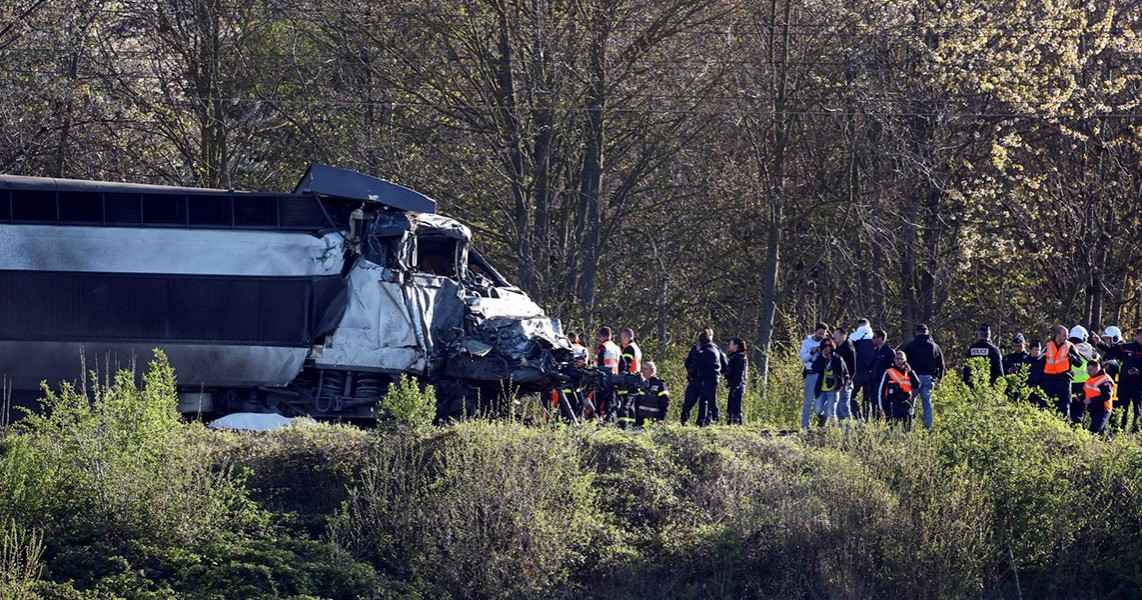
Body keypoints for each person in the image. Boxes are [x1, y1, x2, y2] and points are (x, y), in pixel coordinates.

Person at [1093, 327, 1142, 432]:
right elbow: (1111, 349)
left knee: (1138, 409)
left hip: (1139, 385)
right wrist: (1099, 343)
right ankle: (1120, 429)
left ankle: (1136, 431)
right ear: (1137, 335)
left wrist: (1139, 372)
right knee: (1122, 408)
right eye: (1140, 334)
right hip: (1125, 384)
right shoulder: (1127, 347)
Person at [902, 324, 945, 429]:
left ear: (917, 332)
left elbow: (903, 362)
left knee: (910, 403)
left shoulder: (910, 346)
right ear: (928, 332)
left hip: (913, 378)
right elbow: (941, 364)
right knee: (927, 404)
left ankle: (908, 426)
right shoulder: (934, 346)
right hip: (929, 378)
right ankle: (928, 427)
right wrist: (939, 378)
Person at [682, 328, 727, 426]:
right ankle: (686, 422)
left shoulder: (712, 350)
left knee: (707, 403)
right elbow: (688, 363)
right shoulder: (697, 349)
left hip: (708, 379)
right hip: (697, 379)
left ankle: (706, 422)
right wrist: (691, 374)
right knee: (690, 402)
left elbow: (700, 363)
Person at [1042, 325, 1084, 418]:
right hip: (1049, 380)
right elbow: (1040, 360)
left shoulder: (1070, 346)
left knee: (1064, 405)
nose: (1067, 338)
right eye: (1065, 335)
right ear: (1058, 335)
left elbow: (1079, 363)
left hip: (1063, 379)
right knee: (1045, 403)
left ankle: (1064, 426)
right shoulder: (1048, 346)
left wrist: (1072, 357)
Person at [812, 338, 850, 426]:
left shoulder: (837, 358)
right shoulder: (820, 358)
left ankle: (833, 431)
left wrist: (844, 384)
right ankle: (823, 419)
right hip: (821, 389)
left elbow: (845, 372)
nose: (827, 348)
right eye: (825, 346)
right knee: (817, 410)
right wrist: (822, 358)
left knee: (830, 412)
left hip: (833, 389)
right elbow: (815, 368)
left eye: (829, 345)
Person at [878, 350, 921, 428]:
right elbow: (880, 391)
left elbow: (917, 385)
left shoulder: (909, 373)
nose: (899, 361)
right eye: (897, 359)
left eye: (902, 359)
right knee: (890, 431)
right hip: (892, 406)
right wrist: (881, 408)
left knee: (907, 432)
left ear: (905, 361)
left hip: (906, 405)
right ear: (894, 360)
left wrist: (911, 372)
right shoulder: (888, 373)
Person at [799, 322, 830, 429]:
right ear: (815, 331)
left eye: (823, 334)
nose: (821, 336)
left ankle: (823, 421)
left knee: (825, 399)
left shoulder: (825, 342)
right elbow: (803, 359)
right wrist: (812, 352)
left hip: (823, 374)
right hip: (811, 373)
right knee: (808, 401)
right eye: (820, 333)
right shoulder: (806, 342)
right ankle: (805, 425)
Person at [1068, 326, 1100, 426]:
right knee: (1081, 413)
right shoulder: (1090, 349)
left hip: (1068, 383)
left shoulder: (1067, 347)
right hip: (1085, 386)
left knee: (1068, 411)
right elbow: (1099, 363)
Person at [614, 328, 643, 428]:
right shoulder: (636, 348)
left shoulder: (629, 348)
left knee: (624, 406)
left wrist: (620, 375)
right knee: (631, 407)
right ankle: (631, 426)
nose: (621, 340)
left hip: (628, 380)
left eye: (622, 338)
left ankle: (623, 427)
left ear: (625, 337)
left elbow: (626, 364)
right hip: (635, 380)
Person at [865, 329, 895, 419]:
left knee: (884, 405)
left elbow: (893, 367)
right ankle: (875, 424)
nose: (872, 340)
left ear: (881, 338)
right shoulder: (874, 351)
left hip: (884, 384)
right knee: (874, 406)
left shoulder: (889, 352)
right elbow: (870, 366)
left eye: (874, 337)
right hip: (873, 383)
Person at [850, 319, 876, 420]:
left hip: (858, 371)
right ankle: (867, 420)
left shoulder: (853, 337)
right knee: (867, 399)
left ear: (858, 326)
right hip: (872, 372)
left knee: (850, 397)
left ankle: (858, 418)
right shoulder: (875, 337)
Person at [595, 327, 622, 420]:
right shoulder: (617, 348)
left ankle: (598, 419)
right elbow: (623, 364)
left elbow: (601, 363)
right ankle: (611, 420)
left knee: (599, 401)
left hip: (604, 378)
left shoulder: (603, 346)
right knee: (611, 402)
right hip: (615, 378)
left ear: (601, 336)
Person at [1082, 359, 1115, 435]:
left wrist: (1091, 400)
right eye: (1087, 370)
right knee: (1103, 434)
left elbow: (1107, 396)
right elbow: (1089, 391)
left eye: (1090, 370)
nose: (1088, 372)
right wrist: (1081, 396)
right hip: (1094, 409)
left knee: (1093, 432)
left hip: (1103, 409)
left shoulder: (1104, 379)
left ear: (1096, 369)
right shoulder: (1091, 378)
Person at [832, 328, 857, 422]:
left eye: (836, 335)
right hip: (837, 383)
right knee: (838, 409)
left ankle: (848, 431)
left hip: (845, 384)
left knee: (844, 408)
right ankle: (841, 431)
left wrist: (846, 383)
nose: (833, 337)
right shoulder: (837, 348)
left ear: (843, 336)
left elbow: (852, 369)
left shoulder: (849, 349)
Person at [635, 361, 669, 426]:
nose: (643, 371)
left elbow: (665, 402)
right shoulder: (644, 384)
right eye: (642, 369)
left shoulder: (659, 384)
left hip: (653, 421)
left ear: (652, 370)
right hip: (641, 421)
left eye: (645, 369)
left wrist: (661, 418)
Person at [725, 338, 748, 425]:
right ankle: (730, 423)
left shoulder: (741, 357)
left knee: (736, 407)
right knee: (730, 406)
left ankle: (737, 424)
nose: (729, 345)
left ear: (736, 346)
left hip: (738, 385)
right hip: (734, 384)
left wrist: (736, 385)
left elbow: (739, 374)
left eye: (731, 344)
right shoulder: (734, 357)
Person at [1026, 340, 1048, 409]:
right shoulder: (1026, 361)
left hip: (1041, 388)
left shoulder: (1043, 360)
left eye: (1039, 350)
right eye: (1036, 350)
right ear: (1030, 350)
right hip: (1029, 389)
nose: (1038, 352)